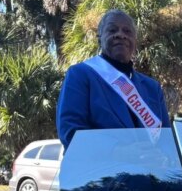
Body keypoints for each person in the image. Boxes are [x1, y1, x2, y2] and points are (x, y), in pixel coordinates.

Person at [56, 9, 171, 150]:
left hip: (149, 170)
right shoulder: (80, 74)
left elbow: (166, 140)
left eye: (127, 31)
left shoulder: (152, 88)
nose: (120, 35)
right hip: (98, 169)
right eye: (112, 30)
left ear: (135, 41)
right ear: (100, 38)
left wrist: (162, 158)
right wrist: (119, 151)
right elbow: (70, 131)